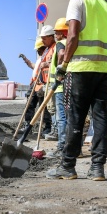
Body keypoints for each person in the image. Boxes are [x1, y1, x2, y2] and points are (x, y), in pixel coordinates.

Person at [46, 0, 107, 181]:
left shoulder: (78, 1)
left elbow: (72, 36)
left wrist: (64, 63)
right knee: (100, 117)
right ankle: (97, 168)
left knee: (75, 117)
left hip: (81, 68)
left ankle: (68, 166)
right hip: (105, 69)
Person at [21, 29, 54, 137]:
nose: (37, 52)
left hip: (42, 84)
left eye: (39, 50)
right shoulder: (41, 58)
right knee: (29, 105)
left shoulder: (48, 54)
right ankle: (27, 125)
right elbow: (35, 67)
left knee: (43, 107)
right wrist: (26, 60)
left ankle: (47, 127)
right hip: (34, 84)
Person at [45, 18, 69, 157]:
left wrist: (60, 69)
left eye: (57, 32)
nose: (55, 35)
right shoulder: (73, 44)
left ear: (62, 32)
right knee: (69, 118)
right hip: (70, 86)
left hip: (60, 88)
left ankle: (62, 147)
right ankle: (72, 148)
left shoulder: (61, 44)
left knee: (61, 119)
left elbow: (61, 55)